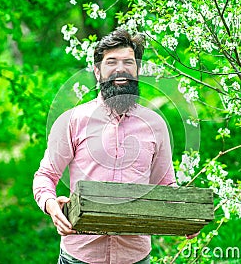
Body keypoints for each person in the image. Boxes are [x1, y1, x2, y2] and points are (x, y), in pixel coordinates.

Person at [33, 28, 197, 264]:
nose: (121, 68)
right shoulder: (72, 120)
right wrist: (51, 206)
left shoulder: (155, 124)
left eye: (128, 62)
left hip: (136, 256)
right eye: (111, 62)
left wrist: (184, 217)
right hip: (80, 256)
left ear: (138, 70)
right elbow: (45, 176)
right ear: (98, 72)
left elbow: (165, 183)